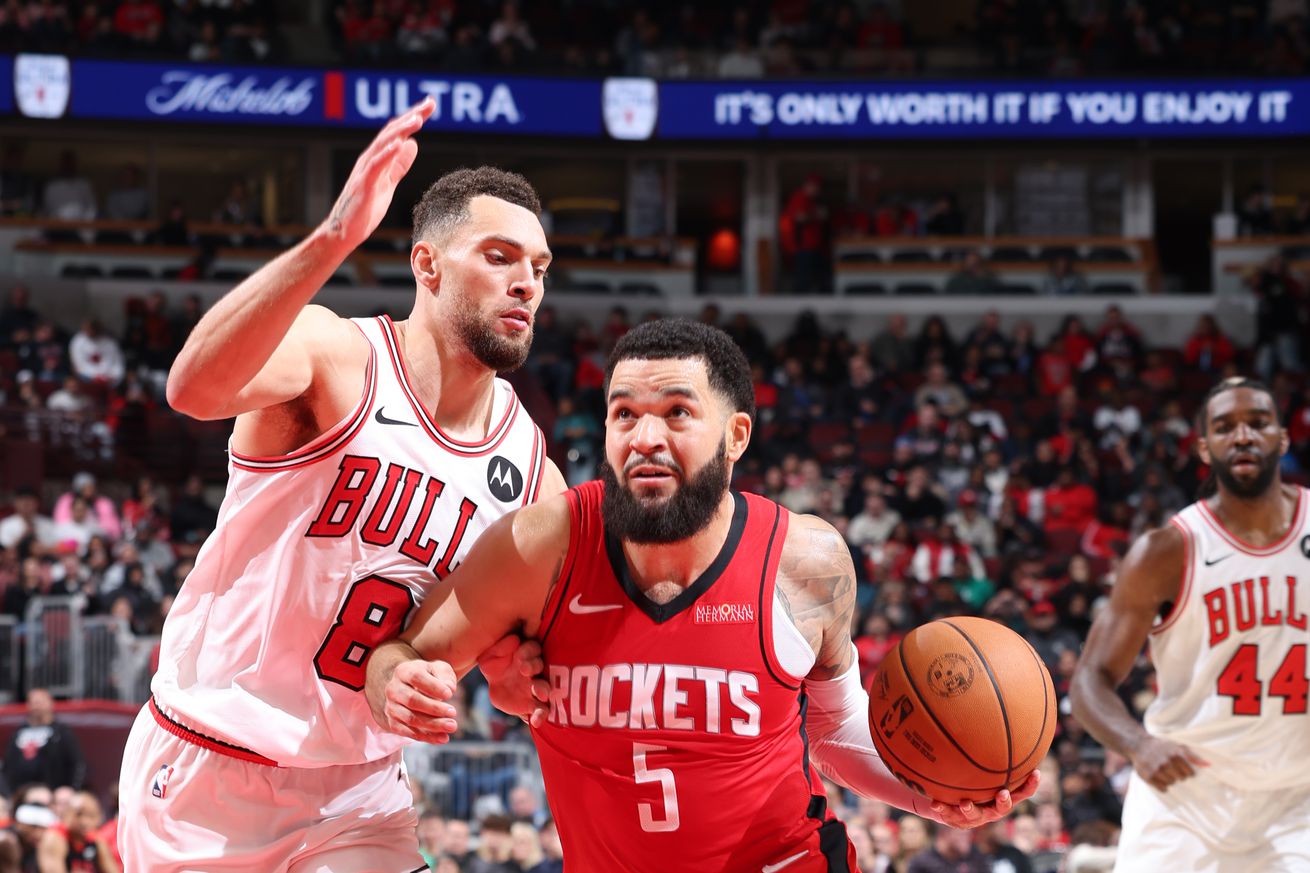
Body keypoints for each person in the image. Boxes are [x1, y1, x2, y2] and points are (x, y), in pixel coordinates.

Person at [367, 319, 1037, 872]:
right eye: (623, 413)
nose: (645, 438)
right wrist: (398, 685)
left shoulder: (805, 562)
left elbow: (829, 731)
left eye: (677, 412)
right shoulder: (541, 547)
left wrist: (934, 798)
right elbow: (398, 654)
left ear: (736, 434)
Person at [116, 98, 565, 871]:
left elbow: (506, 676)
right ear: (427, 264)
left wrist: (503, 676)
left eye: (539, 267)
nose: (526, 281)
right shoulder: (337, 357)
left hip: (359, 792)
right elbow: (190, 388)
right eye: (500, 256)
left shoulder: (531, 473)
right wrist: (334, 239)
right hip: (210, 765)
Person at [1071, 377, 1310, 872]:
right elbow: (1090, 678)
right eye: (1225, 427)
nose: (1242, 436)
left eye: (1258, 423)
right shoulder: (1166, 551)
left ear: (1283, 438)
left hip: (1298, 797)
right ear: (1205, 448)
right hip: (1184, 794)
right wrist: (1139, 744)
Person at [3, 689, 86, 792]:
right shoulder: (18, 733)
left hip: (52, 793)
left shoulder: (61, 733)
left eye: (40, 702)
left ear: (51, 704)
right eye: (33, 702)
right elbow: (7, 765)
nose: (36, 706)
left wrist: (71, 790)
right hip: (20, 793)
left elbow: (77, 764)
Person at [35, 789, 118, 873]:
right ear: (67, 813)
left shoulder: (96, 840)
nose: (84, 821)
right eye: (79, 814)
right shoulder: (54, 837)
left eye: (91, 815)